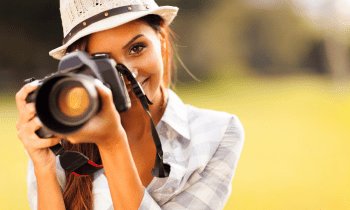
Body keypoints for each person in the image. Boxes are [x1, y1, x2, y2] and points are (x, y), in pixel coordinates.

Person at [15, 0, 245, 209]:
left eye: (137, 48)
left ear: (162, 42)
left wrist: (112, 143)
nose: (127, 74)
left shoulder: (218, 133)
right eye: (103, 61)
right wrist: (44, 168)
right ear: (79, 70)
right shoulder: (62, 129)